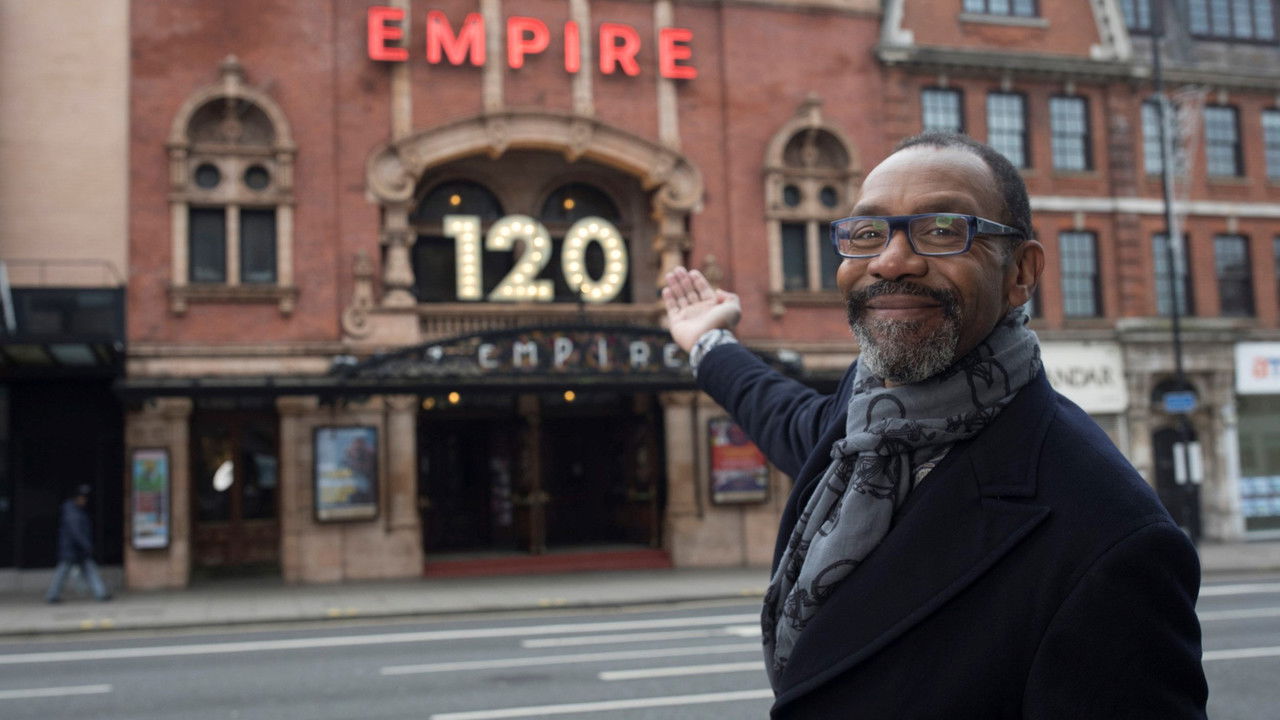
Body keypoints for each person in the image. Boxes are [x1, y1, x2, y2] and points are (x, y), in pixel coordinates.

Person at [663, 132, 1207, 718]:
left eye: (944, 230)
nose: (891, 261)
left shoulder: (1110, 534)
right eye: (868, 233)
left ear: (1021, 272)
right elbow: (787, 417)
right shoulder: (870, 417)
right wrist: (709, 342)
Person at [45, 484, 112, 603]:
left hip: (77, 549)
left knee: (89, 570)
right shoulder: (72, 512)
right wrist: (86, 545)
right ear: (76, 498)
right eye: (82, 498)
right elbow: (76, 532)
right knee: (63, 572)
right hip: (72, 549)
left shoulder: (76, 510)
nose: (84, 501)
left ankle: (101, 593)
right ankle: (52, 595)